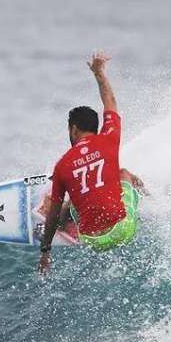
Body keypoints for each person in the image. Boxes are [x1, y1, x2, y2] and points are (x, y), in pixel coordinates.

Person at [38, 52, 145, 275]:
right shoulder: (109, 138)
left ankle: (66, 218)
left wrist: (45, 251)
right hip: (122, 231)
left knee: (68, 199)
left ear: (73, 129)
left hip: (92, 241)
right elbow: (111, 102)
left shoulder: (63, 165)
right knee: (124, 174)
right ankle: (148, 196)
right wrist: (99, 73)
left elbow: (53, 213)